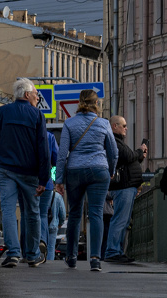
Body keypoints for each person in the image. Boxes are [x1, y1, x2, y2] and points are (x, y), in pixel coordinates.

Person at [0, 78, 50, 267]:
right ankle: (32, 254)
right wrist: (44, 178)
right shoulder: (37, 116)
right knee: (32, 212)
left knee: (9, 210)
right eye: (36, 94)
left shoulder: (1, 112)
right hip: (30, 172)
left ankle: (13, 253)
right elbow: (43, 150)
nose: (37, 97)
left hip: (7, 170)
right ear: (27, 95)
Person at [57, 90, 117, 271]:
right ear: (96, 104)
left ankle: (71, 256)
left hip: (75, 171)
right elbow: (113, 152)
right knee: (96, 213)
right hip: (99, 170)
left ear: (79, 102)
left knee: (74, 213)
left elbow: (62, 154)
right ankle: (95, 259)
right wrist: (111, 170)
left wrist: (59, 179)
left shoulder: (69, 123)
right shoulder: (104, 123)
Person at [103, 115, 145, 262]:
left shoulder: (118, 141)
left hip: (127, 186)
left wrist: (138, 156)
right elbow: (127, 156)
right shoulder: (114, 141)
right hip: (123, 187)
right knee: (120, 220)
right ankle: (112, 252)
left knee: (124, 220)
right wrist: (139, 152)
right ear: (115, 126)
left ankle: (117, 251)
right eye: (123, 125)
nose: (126, 128)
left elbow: (128, 157)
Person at [35, 133, 60, 259]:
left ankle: (29, 248)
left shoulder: (26, 133)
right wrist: (56, 179)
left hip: (29, 182)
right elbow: (56, 160)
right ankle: (42, 241)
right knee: (43, 214)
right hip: (47, 183)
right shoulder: (50, 136)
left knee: (28, 213)